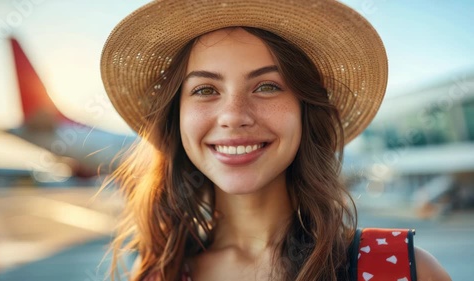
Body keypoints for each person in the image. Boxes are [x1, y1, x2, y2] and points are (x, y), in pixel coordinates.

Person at [100, 0, 452, 280]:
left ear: (305, 111)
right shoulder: (159, 275)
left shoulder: (402, 270)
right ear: (177, 118)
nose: (234, 115)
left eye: (267, 86)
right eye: (205, 89)